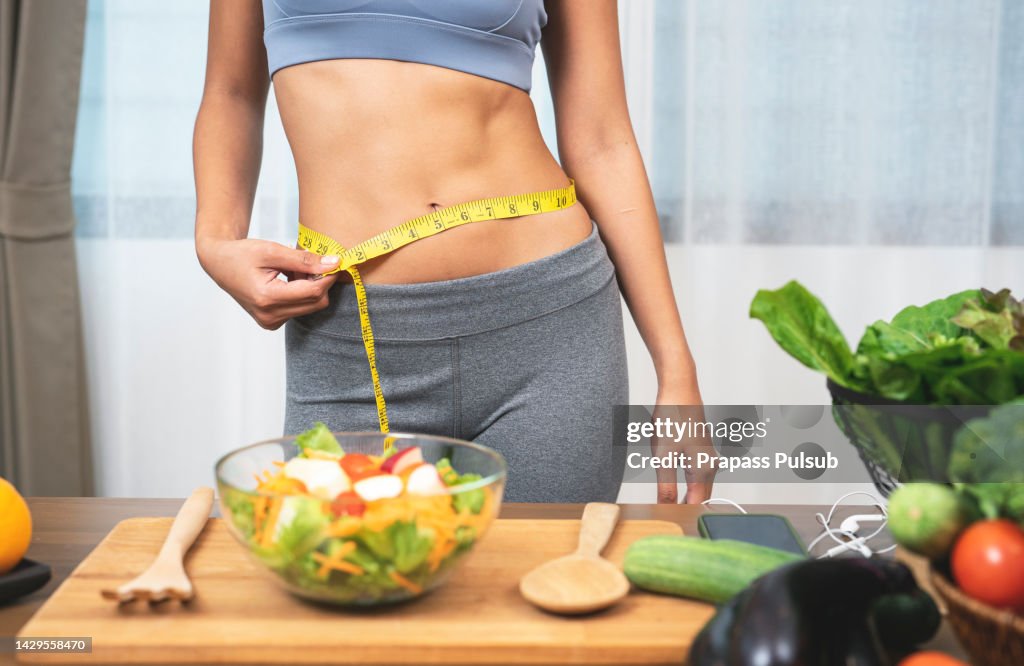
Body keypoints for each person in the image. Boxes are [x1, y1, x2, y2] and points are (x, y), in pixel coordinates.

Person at [193, 0, 711, 503]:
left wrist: (675, 367)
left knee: (547, 564)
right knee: (341, 557)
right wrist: (215, 241)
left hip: (547, 325)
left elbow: (602, 138)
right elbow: (231, 92)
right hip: (348, 335)